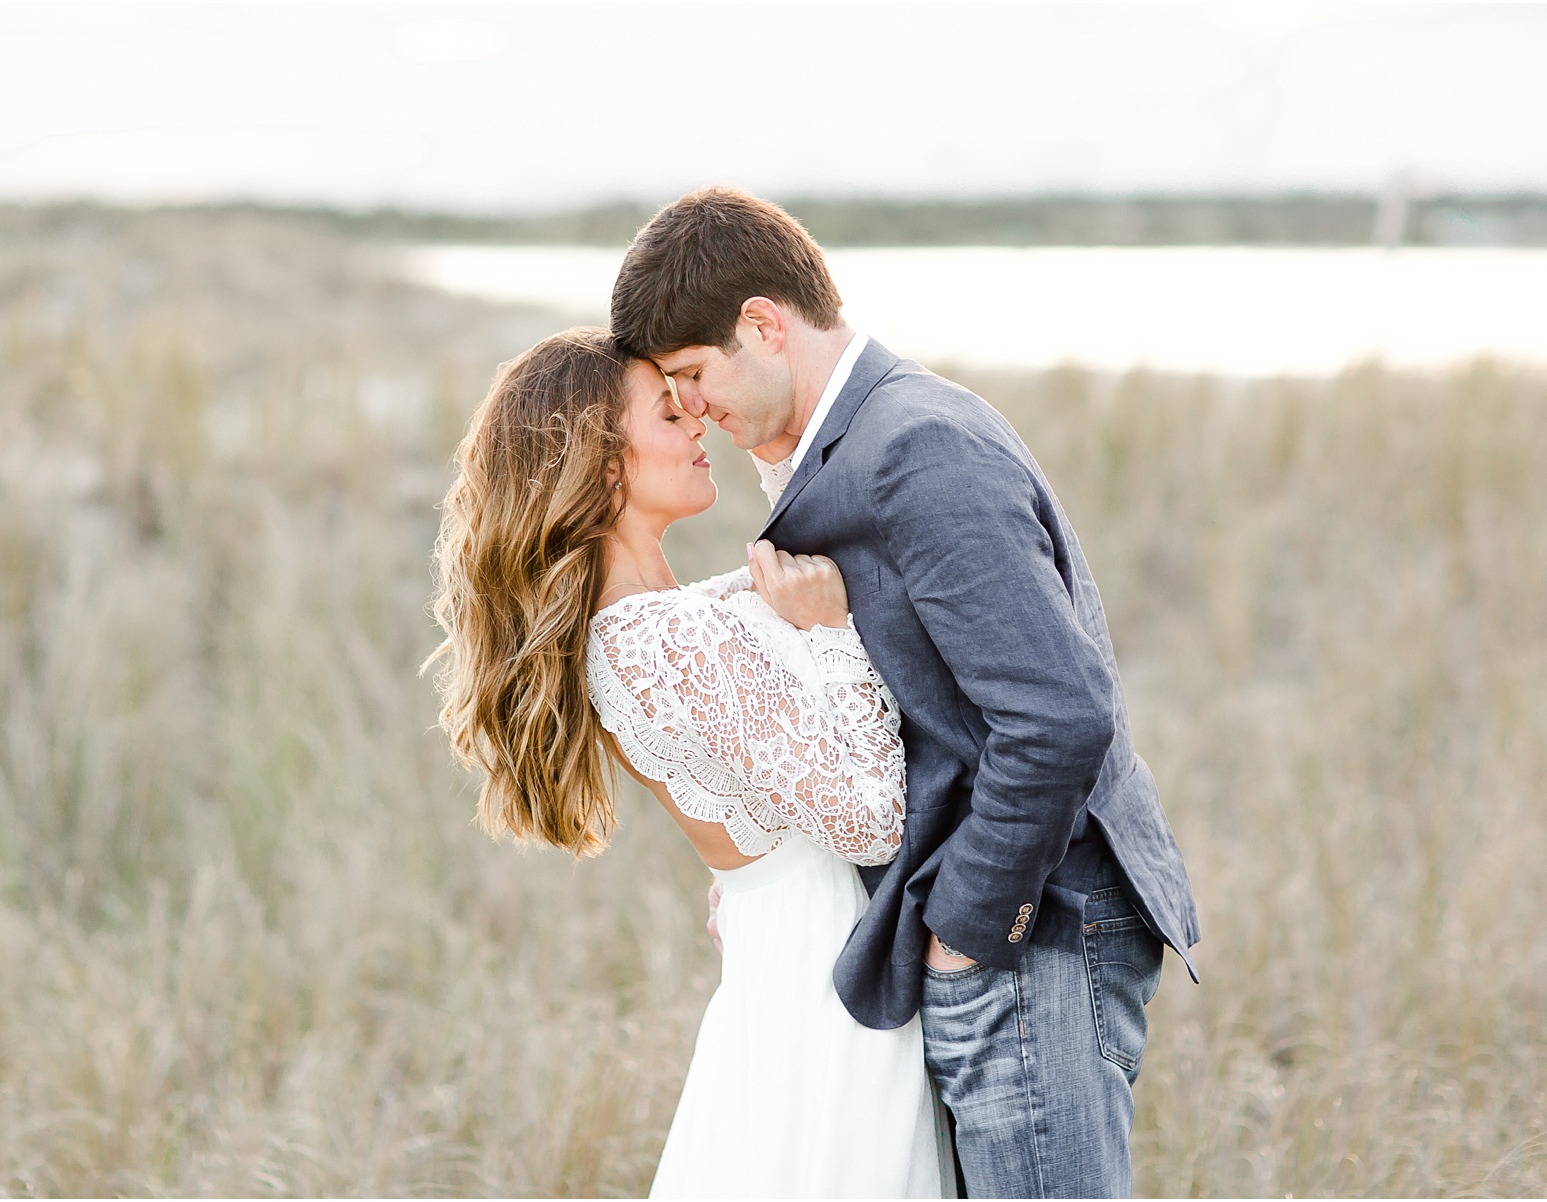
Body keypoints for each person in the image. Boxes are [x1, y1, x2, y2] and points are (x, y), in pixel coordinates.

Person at [609, 188, 1201, 1199]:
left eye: (694, 375)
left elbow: (1058, 713)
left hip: (1036, 928)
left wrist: (965, 929)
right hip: (1001, 933)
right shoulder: (856, 441)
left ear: (764, 324)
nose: (694, 405)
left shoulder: (917, 444)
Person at [431, 328, 951, 1197]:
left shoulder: (661, 618)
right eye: (670, 413)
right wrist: (830, 634)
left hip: (793, 938)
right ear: (602, 464)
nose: (699, 421)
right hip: (825, 966)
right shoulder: (650, 640)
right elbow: (871, 820)